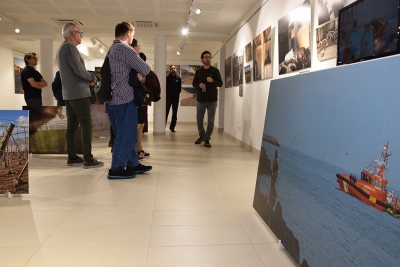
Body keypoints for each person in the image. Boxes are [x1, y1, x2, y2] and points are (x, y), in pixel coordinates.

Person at [105, 22, 152, 179]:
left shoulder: (111, 49)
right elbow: (145, 68)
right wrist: (138, 74)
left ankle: (133, 163)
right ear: (129, 33)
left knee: (123, 133)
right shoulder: (125, 49)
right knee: (127, 135)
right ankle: (116, 168)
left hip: (112, 99)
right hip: (124, 98)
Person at [56, 23, 104, 169]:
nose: (81, 35)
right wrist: (92, 77)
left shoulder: (61, 49)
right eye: (79, 32)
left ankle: (72, 156)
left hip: (69, 93)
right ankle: (88, 159)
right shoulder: (69, 48)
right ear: (73, 34)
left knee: (72, 125)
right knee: (86, 124)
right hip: (78, 93)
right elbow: (79, 70)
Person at [192, 51, 223, 148]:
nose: (208, 59)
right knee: (199, 119)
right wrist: (199, 85)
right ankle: (202, 135)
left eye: (209, 57)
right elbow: (194, 84)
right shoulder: (198, 72)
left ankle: (207, 139)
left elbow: (220, 83)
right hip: (201, 99)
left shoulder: (215, 71)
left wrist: (213, 81)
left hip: (212, 99)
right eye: (205, 57)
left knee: (211, 120)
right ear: (202, 59)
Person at [166, 65, 182, 132]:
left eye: (174, 68)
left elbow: (179, 88)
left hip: (175, 98)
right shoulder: (167, 78)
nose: (173, 69)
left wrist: (177, 93)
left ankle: (172, 127)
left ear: (175, 69)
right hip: (168, 98)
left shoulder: (178, 78)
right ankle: (162, 126)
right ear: (170, 69)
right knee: (166, 112)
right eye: (172, 68)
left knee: (174, 113)